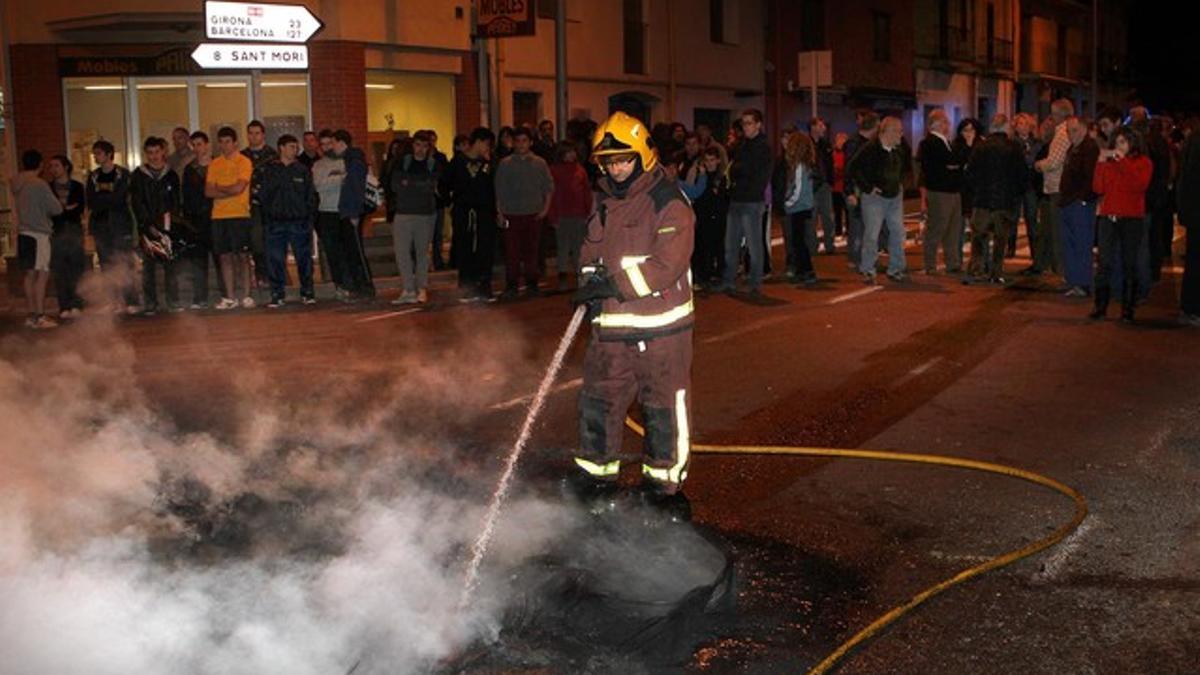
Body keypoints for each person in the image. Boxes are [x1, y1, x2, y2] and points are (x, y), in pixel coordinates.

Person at [568, 110, 696, 507]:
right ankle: (595, 475)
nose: (617, 168)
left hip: (660, 331)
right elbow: (591, 248)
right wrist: (589, 282)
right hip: (611, 328)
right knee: (598, 401)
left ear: (642, 156)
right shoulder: (605, 200)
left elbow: (666, 265)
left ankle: (663, 487)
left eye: (623, 159)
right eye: (609, 161)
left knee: (661, 408)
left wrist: (614, 285)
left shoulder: (669, 202)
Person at [1089, 127, 1153, 322]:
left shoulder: (1143, 163)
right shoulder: (1110, 164)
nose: (1119, 147)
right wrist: (1100, 163)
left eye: (1123, 142)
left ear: (1132, 143)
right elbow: (1098, 188)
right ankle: (1100, 306)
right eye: (1117, 142)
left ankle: (1127, 308)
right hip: (1109, 217)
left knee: (1129, 263)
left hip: (1132, 218)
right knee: (1104, 263)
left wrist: (1123, 161)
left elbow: (1139, 185)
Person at [963, 115, 1026, 285]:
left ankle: (977, 269)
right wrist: (1016, 194)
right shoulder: (1014, 147)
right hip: (1004, 201)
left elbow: (970, 173)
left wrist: (976, 190)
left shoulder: (980, 147)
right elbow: (1021, 175)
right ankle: (996, 273)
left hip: (982, 200)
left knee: (979, 237)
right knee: (1000, 238)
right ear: (1006, 128)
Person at [848, 116, 912, 284]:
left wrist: (902, 183)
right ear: (888, 131)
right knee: (872, 234)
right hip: (875, 198)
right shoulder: (870, 149)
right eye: (898, 131)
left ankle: (896, 268)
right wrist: (867, 187)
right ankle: (868, 269)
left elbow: (906, 167)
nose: (901, 135)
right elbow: (853, 168)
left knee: (898, 232)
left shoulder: (899, 148)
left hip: (894, 195)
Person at [256, 134, 317, 308]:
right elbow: (263, 196)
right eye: (291, 146)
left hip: (299, 222)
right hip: (275, 223)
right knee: (275, 259)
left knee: (304, 259)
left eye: (296, 147)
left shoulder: (302, 170)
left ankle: (307, 292)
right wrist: (268, 217)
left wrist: (308, 218)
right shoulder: (270, 170)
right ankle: (277, 294)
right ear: (281, 148)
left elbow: (310, 196)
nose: (295, 150)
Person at [495, 126, 554, 299]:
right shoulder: (505, 164)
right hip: (511, 214)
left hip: (533, 213)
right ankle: (512, 285)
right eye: (518, 141)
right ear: (513, 143)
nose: (521, 145)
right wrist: (499, 213)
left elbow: (548, 188)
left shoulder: (540, 163)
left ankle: (532, 284)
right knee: (512, 252)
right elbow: (499, 190)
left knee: (532, 252)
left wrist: (545, 209)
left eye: (524, 141)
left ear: (531, 143)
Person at [719, 108, 773, 297]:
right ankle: (729, 280)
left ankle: (755, 283)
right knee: (730, 244)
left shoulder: (763, 147)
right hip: (737, 199)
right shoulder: (742, 145)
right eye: (744, 123)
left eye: (749, 123)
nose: (746, 127)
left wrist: (741, 175)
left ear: (758, 124)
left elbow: (758, 175)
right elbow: (733, 169)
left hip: (751, 201)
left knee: (753, 244)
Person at [441, 127, 498, 301]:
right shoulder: (458, 162)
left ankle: (484, 286)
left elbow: (493, 187)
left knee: (485, 248)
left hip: (484, 211)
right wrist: (451, 202)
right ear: (478, 142)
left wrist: (489, 165)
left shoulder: (490, 163)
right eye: (486, 144)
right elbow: (444, 184)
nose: (488, 148)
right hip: (463, 211)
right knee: (465, 247)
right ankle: (466, 287)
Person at [130, 136, 182, 315]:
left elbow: (175, 203)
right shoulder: (138, 175)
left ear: (163, 152)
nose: (153, 156)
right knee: (149, 267)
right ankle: (151, 303)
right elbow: (137, 203)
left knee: (170, 265)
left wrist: (167, 227)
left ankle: (173, 301)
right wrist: (147, 225)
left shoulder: (171, 175)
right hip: (147, 228)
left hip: (167, 228)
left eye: (157, 152)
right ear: (146, 154)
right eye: (150, 153)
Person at [388, 130, 441, 305]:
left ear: (429, 147)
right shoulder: (403, 162)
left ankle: (422, 288)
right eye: (418, 145)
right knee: (402, 252)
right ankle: (408, 288)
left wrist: (410, 184)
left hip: (425, 214)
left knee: (422, 253)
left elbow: (430, 186)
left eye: (425, 146)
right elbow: (396, 185)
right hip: (403, 213)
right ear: (412, 145)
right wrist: (419, 185)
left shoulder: (432, 164)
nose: (421, 149)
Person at [205, 126, 255, 310]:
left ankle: (247, 295)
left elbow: (239, 189)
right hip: (219, 216)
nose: (224, 145)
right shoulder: (214, 164)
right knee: (224, 256)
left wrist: (221, 188)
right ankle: (230, 297)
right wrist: (229, 189)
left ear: (235, 143)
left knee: (242, 256)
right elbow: (208, 191)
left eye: (228, 142)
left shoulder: (244, 162)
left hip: (240, 214)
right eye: (221, 142)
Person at [86, 140, 139, 313]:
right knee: (106, 264)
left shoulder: (123, 174)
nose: (96, 156)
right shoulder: (93, 176)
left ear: (109, 154)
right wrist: (107, 199)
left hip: (120, 224)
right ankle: (113, 300)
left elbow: (120, 197)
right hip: (100, 225)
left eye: (99, 153)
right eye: (95, 153)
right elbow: (91, 201)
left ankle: (131, 301)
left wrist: (105, 199)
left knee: (124, 261)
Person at [13, 150, 63, 329]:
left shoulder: (16, 182)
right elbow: (56, 208)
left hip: (23, 232)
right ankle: (40, 316)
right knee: (42, 274)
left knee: (29, 275)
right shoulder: (39, 184)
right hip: (39, 233)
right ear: (40, 164)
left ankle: (31, 314)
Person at [1056, 116, 1101, 298]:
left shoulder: (1088, 148)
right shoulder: (1074, 148)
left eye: (1073, 130)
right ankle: (1074, 280)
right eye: (1068, 130)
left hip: (1078, 203)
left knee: (1081, 243)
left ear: (1083, 129)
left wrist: (1083, 198)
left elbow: (1091, 177)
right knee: (1071, 243)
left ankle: (1081, 282)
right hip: (1070, 201)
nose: (1070, 134)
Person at [917, 108, 965, 274]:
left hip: (953, 190)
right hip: (940, 191)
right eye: (945, 121)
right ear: (935, 124)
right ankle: (930, 264)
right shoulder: (929, 143)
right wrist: (953, 166)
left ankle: (953, 262)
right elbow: (938, 167)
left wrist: (953, 166)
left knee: (953, 229)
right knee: (937, 228)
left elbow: (956, 163)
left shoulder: (948, 142)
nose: (948, 124)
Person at [1034, 99, 1076, 281]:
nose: (1050, 117)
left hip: (1056, 187)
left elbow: (1053, 162)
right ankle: (1059, 269)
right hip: (1060, 186)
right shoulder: (1065, 132)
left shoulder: (1062, 134)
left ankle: (1062, 272)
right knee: (1055, 231)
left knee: (1057, 233)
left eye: (1052, 113)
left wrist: (1037, 165)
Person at [332, 129, 376, 300]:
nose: (332, 147)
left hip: (352, 212)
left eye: (334, 143)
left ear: (342, 143)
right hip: (348, 211)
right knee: (352, 251)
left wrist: (355, 212)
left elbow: (356, 188)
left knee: (356, 251)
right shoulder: (350, 159)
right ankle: (361, 287)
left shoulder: (354, 160)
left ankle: (365, 287)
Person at [548, 140, 593, 291]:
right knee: (563, 248)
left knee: (579, 248)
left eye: (573, 152)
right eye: (568, 152)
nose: (571, 155)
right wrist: (553, 215)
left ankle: (580, 277)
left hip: (579, 214)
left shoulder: (580, 170)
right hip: (562, 214)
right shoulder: (554, 170)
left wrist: (588, 212)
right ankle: (563, 277)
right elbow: (551, 195)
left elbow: (586, 192)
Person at [681, 146, 728, 287]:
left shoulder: (721, 178)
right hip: (702, 216)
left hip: (717, 217)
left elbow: (723, 199)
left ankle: (716, 274)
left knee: (716, 246)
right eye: (707, 160)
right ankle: (702, 275)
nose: (709, 163)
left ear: (718, 160)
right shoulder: (701, 177)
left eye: (712, 160)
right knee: (701, 246)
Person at [46, 155, 86, 319]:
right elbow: (50, 211)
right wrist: (66, 208)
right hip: (56, 231)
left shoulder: (77, 186)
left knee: (76, 268)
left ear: (66, 167)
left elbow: (79, 208)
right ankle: (64, 305)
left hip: (74, 229)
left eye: (56, 165)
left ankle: (77, 303)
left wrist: (62, 208)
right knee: (60, 269)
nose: (53, 169)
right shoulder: (47, 187)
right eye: (51, 166)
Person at [312, 129, 350, 300]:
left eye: (330, 143)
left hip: (345, 212)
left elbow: (355, 181)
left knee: (348, 252)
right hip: (326, 212)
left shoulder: (347, 161)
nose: (327, 147)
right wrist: (340, 178)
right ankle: (339, 285)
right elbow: (319, 186)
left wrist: (334, 179)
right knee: (333, 252)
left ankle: (351, 284)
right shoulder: (318, 166)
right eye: (324, 144)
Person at [243, 120, 279, 289]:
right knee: (256, 241)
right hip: (250, 205)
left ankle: (278, 277)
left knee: (273, 241)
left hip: (271, 204)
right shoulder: (241, 157)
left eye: (257, 133)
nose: (254, 136)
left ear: (263, 134)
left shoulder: (273, 155)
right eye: (250, 133)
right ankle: (261, 275)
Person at [182, 131, 216, 309]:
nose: (197, 148)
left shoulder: (219, 164)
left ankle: (226, 295)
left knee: (220, 258)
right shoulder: (189, 169)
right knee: (198, 260)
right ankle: (200, 297)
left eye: (200, 144)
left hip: (218, 217)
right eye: (194, 145)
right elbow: (186, 197)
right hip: (197, 220)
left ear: (207, 144)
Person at [843, 112, 880, 270]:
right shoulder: (855, 144)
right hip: (857, 189)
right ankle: (856, 258)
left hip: (865, 188)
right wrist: (850, 191)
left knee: (867, 225)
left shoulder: (867, 143)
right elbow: (849, 169)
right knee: (857, 225)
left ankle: (864, 258)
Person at [782, 131, 819, 285]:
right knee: (800, 240)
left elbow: (797, 189)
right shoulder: (807, 165)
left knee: (798, 241)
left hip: (799, 207)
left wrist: (787, 203)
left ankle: (805, 270)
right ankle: (804, 270)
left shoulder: (799, 167)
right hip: (804, 207)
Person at [1176, 119, 1200, 326]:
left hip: (1193, 211)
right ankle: (1193, 308)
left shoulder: (1193, 139)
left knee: (1193, 261)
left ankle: (1190, 307)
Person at [1011, 113, 1043, 262]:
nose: (1022, 127)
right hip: (1016, 184)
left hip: (1031, 184)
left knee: (1031, 217)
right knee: (1013, 217)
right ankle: (1010, 249)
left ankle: (1035, 251)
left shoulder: (1037, 143)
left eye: (1025, 123)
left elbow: (1037, 159)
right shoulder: (1011, 143)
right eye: (1019, 124)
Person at [810, 117, 837, 255]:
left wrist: (830, 181)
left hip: (825, 184)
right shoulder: (807, 144)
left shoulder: (825, 145)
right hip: (812, 185)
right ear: (813, 127)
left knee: (828, 216)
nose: (824, 129)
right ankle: (812, 246)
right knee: (812, 217)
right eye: (821, 126)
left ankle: (829, 244)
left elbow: (829, 165)